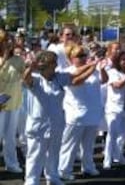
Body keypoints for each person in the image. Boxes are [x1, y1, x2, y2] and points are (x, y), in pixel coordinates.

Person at [22, 51, 99, 185]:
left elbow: (75, 74)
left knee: (54, 153)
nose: (57, 65)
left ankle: (52, 178)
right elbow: (25, 78)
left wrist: (91, 65)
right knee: (35, 156)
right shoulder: (36, 79)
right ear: (46, 65)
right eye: (54, 63)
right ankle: (31, 181)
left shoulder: (58, 77)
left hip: (56, 123)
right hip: (38, 125)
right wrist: (30, 67)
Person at [58, 44, 108, 180]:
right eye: (79, 56)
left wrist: (101, 69)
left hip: (92, 112)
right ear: (71, 59)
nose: (83, 58)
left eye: (84, 55)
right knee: (70, 145)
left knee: (88, 144)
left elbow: (104, 80)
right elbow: (77, 81)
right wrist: (93, 66)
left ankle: (88, 166)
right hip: (76, 114)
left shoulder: (94, 69)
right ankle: (64, 170)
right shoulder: (68, 71)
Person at [103, 52, 125, 169]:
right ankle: (107, 160)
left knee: (122, 135)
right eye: (123, 60)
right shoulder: (112, 72)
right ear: (117, 62)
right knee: (112, 134)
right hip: (114, 108)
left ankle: (118, 156)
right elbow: (117, 85)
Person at [0, 30, 25, 173]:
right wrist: (3, 58)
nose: (8, 43)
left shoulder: (18, 59)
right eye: (5, 41)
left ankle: (12, 163)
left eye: (9, 40)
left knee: (10, 136)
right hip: (0, 102)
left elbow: (25, 75)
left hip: (14, 102)